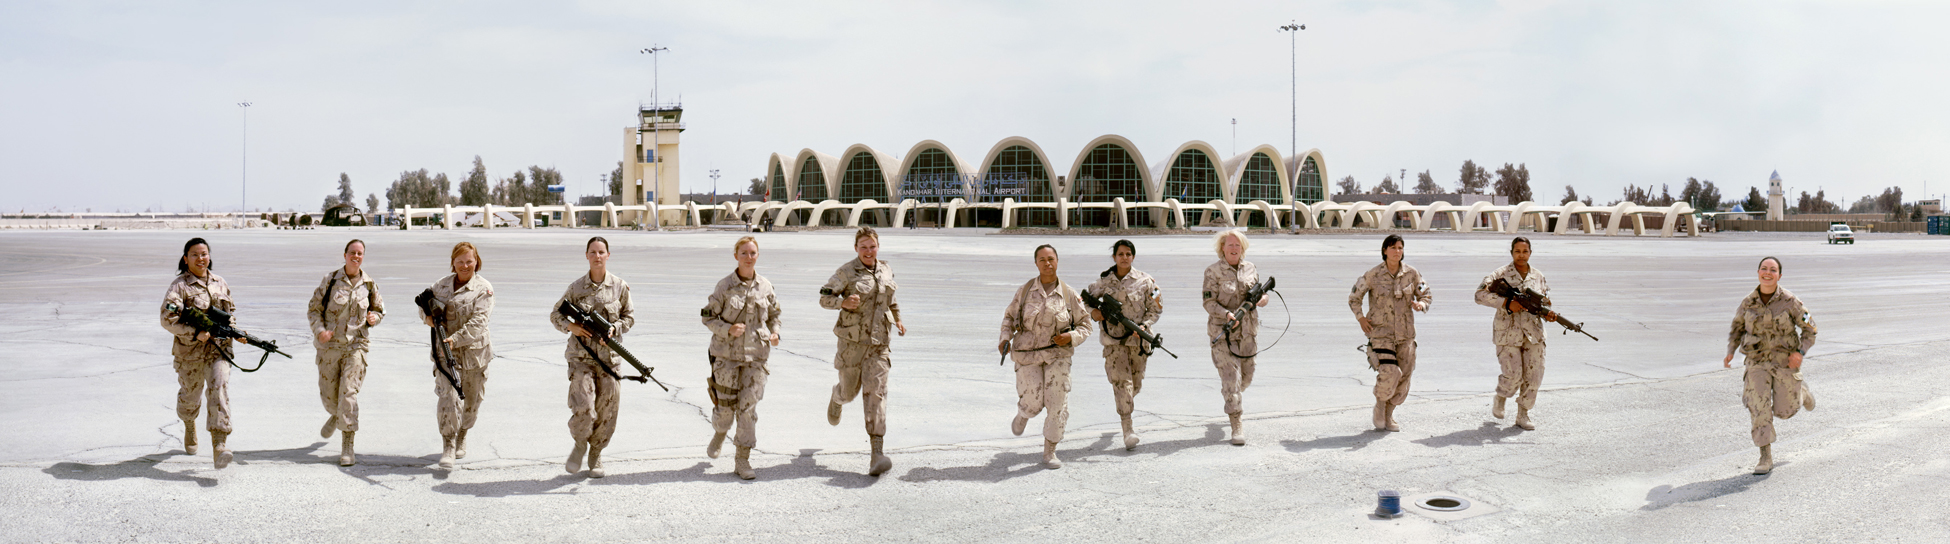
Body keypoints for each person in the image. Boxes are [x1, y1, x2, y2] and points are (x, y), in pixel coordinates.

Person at [818, 227, 906, 476]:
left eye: (872, 246)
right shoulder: (846, 272)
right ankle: (837, 398)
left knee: (876, 394)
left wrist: (898, 319)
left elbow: (891, 299)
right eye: (864, 247)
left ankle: (876, 453)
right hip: (852, 345)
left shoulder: (886, 269)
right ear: (856, 248)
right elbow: (824, 297)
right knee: (849, 392)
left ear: (878, 247)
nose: (869, 251)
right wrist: (841, 302)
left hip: (879, 345)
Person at [1000, 244, 1092, 469]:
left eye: (1051, 259)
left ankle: (1050, 450)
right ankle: (1024, 413)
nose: (1047, 263)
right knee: (1033, 399)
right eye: (1042, 259)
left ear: (1057, 261)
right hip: (1027, 355)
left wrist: (1070, 336)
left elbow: (1086, 325)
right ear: (1036, 263)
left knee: (1056, 402)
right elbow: (1009, 319)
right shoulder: (1024, 291)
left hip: (1057, 356)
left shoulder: (1069, 294)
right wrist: (1004, 338)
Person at [550, 237, 635, 478]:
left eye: (601, 252)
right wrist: (571, 327)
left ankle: (596, 453)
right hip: (581, 358)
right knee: (584, 407)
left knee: (607, 408)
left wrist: (614, 328)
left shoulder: (619, 286)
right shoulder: (576, 288)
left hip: (609, 360)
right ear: (586, 256)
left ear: (608, 255)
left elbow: (629, 317)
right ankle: (579, 444)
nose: (597, 256)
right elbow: (555, 314)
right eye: (593, 252)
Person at [1723, 256, 1818, 475]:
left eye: (1773, 270)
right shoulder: (1748, 302)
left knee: (1785, 411)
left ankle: (1801, 394)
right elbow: (1737, 328)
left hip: (1784, 362)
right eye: (1764, 269)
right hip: (1757, 362)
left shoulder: (1790, 301)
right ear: (1758, 273)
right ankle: (1765, 456)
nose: (1768, 273)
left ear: (1779, 276)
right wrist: (1730, 350)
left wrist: (1800, 352)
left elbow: (1810, 329)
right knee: (1758, 406)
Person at [701, 236, 782, 480]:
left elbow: (774, 314)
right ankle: (720, 431)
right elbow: (707, 316)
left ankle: (742, 459)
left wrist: (776, 332)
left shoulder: (765, 286)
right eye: (744, 253)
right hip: (726, 357)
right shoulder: (724, 286)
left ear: (758, 255)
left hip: (756, 358)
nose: (749, 257)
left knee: (748, 410)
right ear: (736, 256)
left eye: (753, 253)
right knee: (725, 411)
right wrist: (727, 329)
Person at [160, 237, 242, 469]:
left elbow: (231, 312)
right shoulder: (179, 287)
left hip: (218, 350)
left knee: (219, 388)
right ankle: (189, 423)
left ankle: (219, 445)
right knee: (190, 396)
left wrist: (235, 331)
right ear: (186, 259)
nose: (200, 258)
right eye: (195, 255)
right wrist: (194, 333)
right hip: (190, 354)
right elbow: (167, 319)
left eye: (204, 254)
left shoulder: (220, 282)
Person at [308, 239, 385, 466]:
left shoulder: (369, 284)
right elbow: (313, 310)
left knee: (349, 394)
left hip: (356, 346)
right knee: (329, 396)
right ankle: (335, 414)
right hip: (330, 348)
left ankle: (347, 446)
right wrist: (320, 331)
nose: (356, 256)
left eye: (360, 253)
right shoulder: (330, 280)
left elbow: (379, 309)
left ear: (363, 257)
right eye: (352, 252)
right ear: (345, 255)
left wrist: (374, 318)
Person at [421, 242, 494, 471]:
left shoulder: (483, 288)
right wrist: (428, 319)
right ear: (453, 261)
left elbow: (479, 322)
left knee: (471, 402)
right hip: (445, 355)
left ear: (476, 261)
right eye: (460, 261)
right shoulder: (440, 285)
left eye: (469, 261)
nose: (465, 265)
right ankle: (449, 445)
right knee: (449, 399)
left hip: (475, 355)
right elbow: (423, 306)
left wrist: (455, 339)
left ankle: (463, 432)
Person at [1349, 234, 1431, 432]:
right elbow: (1354, 297)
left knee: (1405, 377)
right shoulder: (1373, 275)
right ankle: (1380, 405)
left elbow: (1426, 294)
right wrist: (1360, 318)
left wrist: (1420, 304)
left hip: (1406, 335)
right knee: (1391, 372)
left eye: (1400, 248)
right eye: (1393, 248)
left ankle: (1389, 413)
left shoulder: (1412, 274)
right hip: (1381, 333)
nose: (1397, 252)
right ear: (1385, 250)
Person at [1473, 237, 1555, 430]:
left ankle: (1523, 414)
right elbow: (1479, 295)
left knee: (1534, 376)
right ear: (1512, 252)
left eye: (1525, 251)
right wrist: (1506, 303)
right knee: (1513, 375)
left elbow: (1545, 301)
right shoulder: (1500, 274)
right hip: (1508, 333)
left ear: (1530, 253)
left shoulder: (1538, 276)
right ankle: (1501, 396)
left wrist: (1548, 313)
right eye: (1517, 251)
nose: (1521, 255)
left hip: (1533, 333)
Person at [1086, 239, 1162, 451]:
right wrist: (1094, 312)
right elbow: (1085, 299)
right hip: (1113, 342)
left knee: (1134, 385)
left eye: (1128, 254)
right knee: (1122, 384)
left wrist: (1145, 326)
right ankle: (1128, 430)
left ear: (1133, 257)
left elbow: (1156, 309)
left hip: (1137, 341)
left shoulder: (1146, 281)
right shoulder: (1104, 281)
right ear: (1114, 257)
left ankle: (1124, 405)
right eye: (1120, 254)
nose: (1124, 257)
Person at [1203, 230, 1270, 445]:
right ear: (1222, 248)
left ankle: (1232, 396)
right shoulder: (1213, 272)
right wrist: (1226, 314)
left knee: (1246, 377)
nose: (1234, 248)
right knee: (1231, 379)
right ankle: (1236, 423)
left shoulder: (1251, 269)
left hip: (1248, 333)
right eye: (1230, 245)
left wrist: (1263, 299)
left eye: (1237, 245)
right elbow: (1209, 303)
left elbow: (1260, 294)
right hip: (1223, 333)